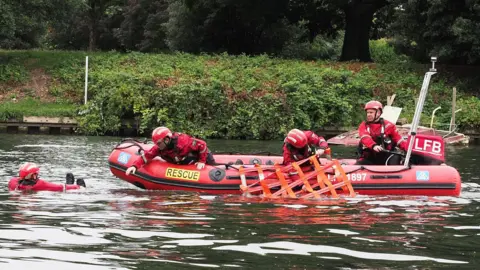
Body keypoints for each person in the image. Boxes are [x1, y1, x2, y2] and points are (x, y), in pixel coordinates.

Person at [125, 126, 216, 175]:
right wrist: (134, 166)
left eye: (159, 143)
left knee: (210, 162)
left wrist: (202, 161)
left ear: (167, 139)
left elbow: (202, 144)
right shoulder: (159, 148)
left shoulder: (183, 142)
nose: (157, 146)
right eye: (156, 143)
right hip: (182, 161)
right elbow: (147, 156)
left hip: (197, 156)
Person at [356, 100, 407, 165]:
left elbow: (398, 140)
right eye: (367, 112)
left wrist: (408, 148)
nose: (368, 115)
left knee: (396, 159)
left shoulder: (389, 125)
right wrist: (373, 145)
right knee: (360, 163)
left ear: (379, 113)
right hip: (369, 157)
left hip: (386, 156)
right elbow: (365, 137)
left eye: (371, 112)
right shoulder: (363, 125)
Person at [8, 162, 86, 192]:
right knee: (66, 188)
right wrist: (79, 187)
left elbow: (18, 179)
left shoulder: (13, 182)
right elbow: (60, 187)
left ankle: (70, 183)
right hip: (63, 189)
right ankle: (72, 184)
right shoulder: (40, 184)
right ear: (33, 175)